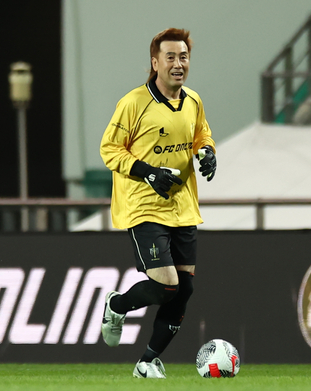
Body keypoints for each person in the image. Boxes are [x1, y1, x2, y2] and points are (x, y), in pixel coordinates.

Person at [99, 28, 217, 379]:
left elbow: (201, 135)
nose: (178, 64)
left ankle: (147, 361)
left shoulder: (193, 100)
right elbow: (110, 148)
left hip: (182, 206)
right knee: (167, 285)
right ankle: (116, 305)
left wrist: (207, 153)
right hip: (143, 205)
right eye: (171, 57)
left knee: (184, 289)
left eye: (183, 57)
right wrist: (148, 172)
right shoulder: (134, 103)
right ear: (155, 62)